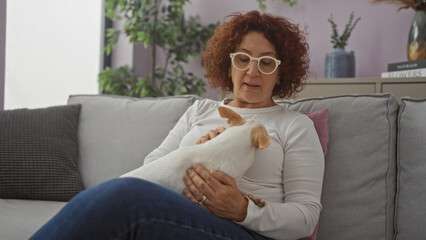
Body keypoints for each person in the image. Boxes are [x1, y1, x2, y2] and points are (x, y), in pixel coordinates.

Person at [31, 10, 324, 240]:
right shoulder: (201, 110)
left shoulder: (295, 126)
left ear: (280, 73)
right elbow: (154, 164)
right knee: (116, 195)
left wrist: (242, 210)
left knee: (124, 195)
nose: (252, 71)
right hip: (179, 214)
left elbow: (306, 216)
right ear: (228, 63)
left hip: (243, 232)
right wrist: (199, 153)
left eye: (266, 62)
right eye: (243, 58)